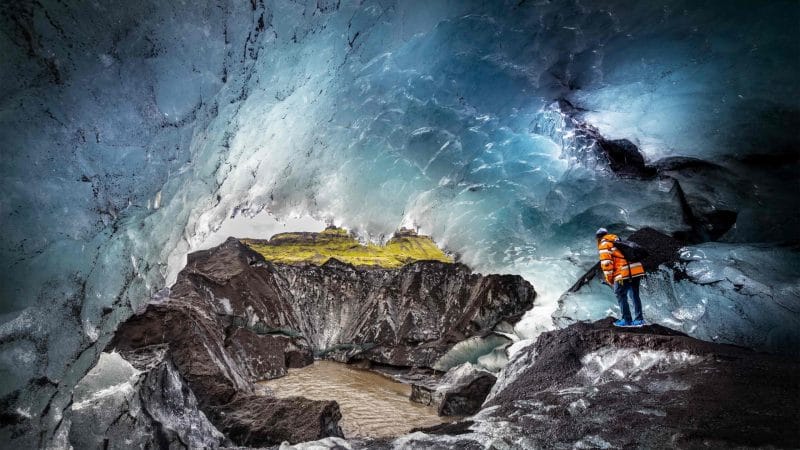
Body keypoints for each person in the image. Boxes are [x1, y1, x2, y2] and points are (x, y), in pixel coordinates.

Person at [596, 228, 646, 327]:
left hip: (623, 273)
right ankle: (639, 320)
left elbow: (606, 264)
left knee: (620, 295)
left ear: (598, 237)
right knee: (634, 295)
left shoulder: (604, 244)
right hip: (636, 269)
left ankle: (626, 320)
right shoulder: (618, 240)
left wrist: (610, 279)